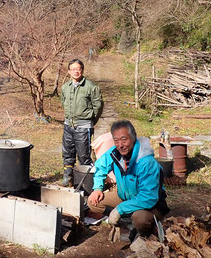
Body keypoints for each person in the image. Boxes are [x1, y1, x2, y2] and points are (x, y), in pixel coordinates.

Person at [87, 120, 169, 241]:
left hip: (151, 205)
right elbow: (101, 166)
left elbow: (148, 197)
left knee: (140, 219)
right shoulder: (115, 153)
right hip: (125, 196)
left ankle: (144, 233)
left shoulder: (146, 162)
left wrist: (119, 209)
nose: (120, 145)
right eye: (116, 140)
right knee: (93, 202)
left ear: (133, 138)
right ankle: (129, 225)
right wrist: (98, 188)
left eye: (124, 139)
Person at [61, 59, 104, 187]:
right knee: (67, 153)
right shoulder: (65, 87)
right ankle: (68, 178)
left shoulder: (91, 87)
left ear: (82, 70)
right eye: (73, 69)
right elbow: (63, 102)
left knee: (84, 156)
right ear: (69, 71)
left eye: (78, 68)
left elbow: (98, 106)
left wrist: (90, 120)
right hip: (68, 126)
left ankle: (86, 184)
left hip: (84, 127)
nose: (76, 71)